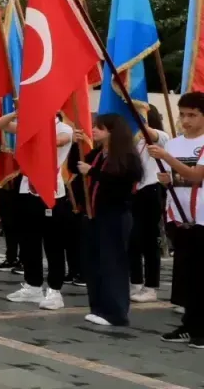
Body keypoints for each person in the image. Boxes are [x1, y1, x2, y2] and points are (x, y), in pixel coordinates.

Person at [0, 110, 74, 311]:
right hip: (27, 190)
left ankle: (55, 291)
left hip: (51, 192)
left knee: (53, 244)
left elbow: (56, 142)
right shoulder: (29, 127)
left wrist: (32, 131)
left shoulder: (64, 129)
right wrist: (17, 112)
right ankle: (33, 285)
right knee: (29, 242)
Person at [148, 91, 204, 349]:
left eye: (192, 115)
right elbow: (173, 178)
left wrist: (168, 161)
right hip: (178, 217)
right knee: (187, 276)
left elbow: (195, 176)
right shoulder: (174, 144)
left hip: (202, 217)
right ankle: (189, 325)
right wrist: (166, 179)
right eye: (182, 115)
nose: (186, 120)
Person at [78, 114, 144, 327]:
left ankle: (116, 312)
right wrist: (76, 144)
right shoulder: (99, 153)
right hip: (95, 215)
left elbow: (121, 184)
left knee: (112, 263)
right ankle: (98, 307)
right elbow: (77, 167)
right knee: (94, 263)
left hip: (115, 216)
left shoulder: (126, 157)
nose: (95, 131)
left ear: (113, 132)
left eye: (100, 128)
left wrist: (94, 173)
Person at [129, 107, 169, 304]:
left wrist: (136, 114)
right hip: (135, 192)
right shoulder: (136, 142)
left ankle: (151, 286)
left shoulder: (161, 136)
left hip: (151, 191)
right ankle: (135, 281)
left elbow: (150, 132)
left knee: (149, 241)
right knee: (133, 239)